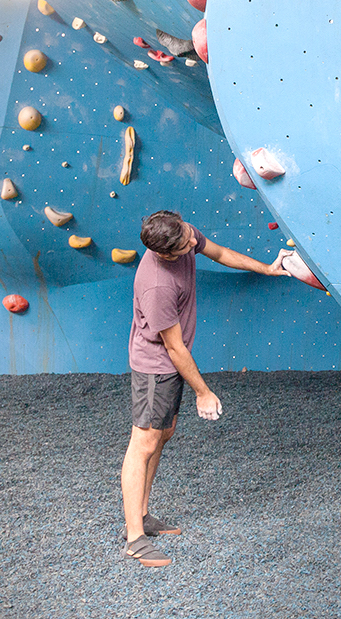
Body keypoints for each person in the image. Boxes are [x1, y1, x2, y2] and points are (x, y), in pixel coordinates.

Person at [121, 210, 291, 567]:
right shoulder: (157, 285)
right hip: (156, 368)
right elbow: (174, 348)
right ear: (166, 254)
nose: (193, 243)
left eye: (188, 235)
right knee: (144, 442)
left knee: (163, 434)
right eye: (185, 244)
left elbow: (220, 252)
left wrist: (267, 268)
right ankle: (134, 537)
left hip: (170, 364)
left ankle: (144, 514)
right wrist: (203, 391)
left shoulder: (183, 234)